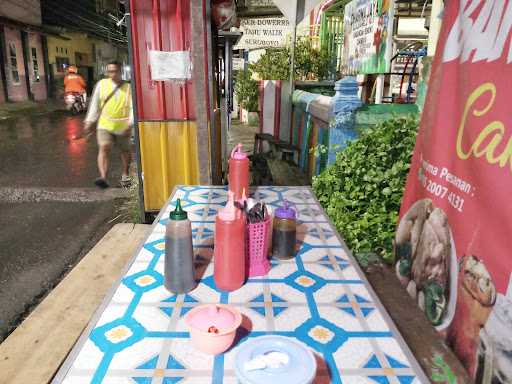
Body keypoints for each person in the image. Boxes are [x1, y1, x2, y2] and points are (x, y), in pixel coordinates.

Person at [84, 61, 133, 189]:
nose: (112, 74)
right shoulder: (102, 84)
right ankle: (103, 177)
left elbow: (133, 107)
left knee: (125, 151)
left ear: (120, 72)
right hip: (105, 124)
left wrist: (130, 124)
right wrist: (89, 121)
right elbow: (95, 103)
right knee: (104, 147)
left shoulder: (128, 87)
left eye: (115, 71)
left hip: (123, 126)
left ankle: (125, 174)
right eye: (110, 71)